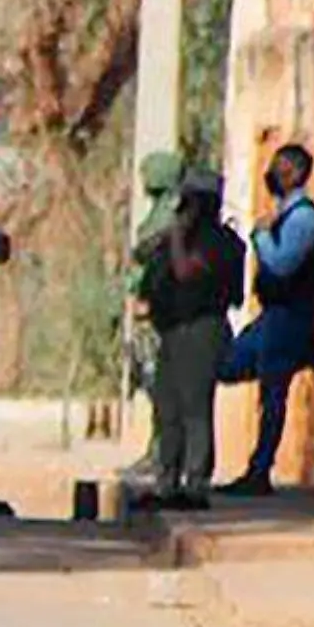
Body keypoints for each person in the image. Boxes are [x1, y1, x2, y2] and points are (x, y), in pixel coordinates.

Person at [216, 144, 314, 498]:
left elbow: (283, 263)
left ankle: (259, 471)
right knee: (228, 366)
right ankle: (308, 355)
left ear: (296, 173)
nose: (272, 174)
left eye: (280, 168)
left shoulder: (304, 218)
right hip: (274, 315)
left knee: (272, 394)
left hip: (292, 315)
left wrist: (260, 236)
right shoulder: (287, 214)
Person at [133, 169, 245, 512]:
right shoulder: (179, 236)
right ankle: (167, 481)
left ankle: (195, 483)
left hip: (201, 328)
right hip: (173, 329)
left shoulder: (219, 242)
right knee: (168, 407)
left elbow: (186, 272)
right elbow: (145, 259)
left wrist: (179, 236)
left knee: (195, 407)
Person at [120, 151, 186, 484]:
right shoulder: (160, 211)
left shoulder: (171, 214)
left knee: (161, 384)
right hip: (147, 307)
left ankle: (165, 453)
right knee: (150, 382)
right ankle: (158, 449)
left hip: (160, 312)